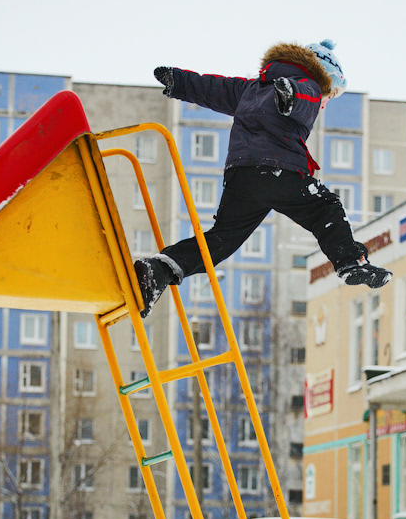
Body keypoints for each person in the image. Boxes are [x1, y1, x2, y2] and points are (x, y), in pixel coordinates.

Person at [135, 39, 392, 318]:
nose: (324, 104)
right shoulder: (309, 86)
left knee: (221, 240)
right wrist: (290, 96)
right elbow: (303, 99)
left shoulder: (252, 88)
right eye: (329, 95)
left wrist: (179, 82)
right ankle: (351, 263)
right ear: (322, 78)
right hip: (278, 171)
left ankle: (158, 269)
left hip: (241, 175)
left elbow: (214, 88)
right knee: (326, 207)